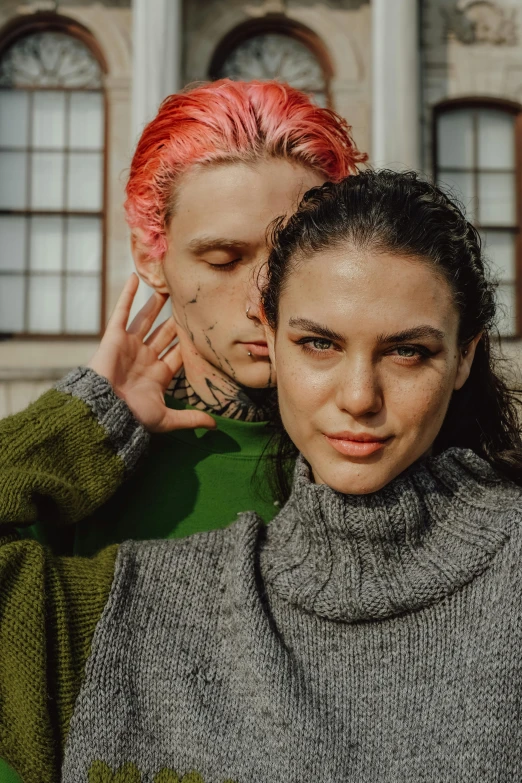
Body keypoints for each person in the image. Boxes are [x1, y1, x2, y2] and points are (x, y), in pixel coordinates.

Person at [2, 170, 522, 783]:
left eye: (407, 352)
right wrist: (88, 419)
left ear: (464, 356)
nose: (359, 397)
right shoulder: (135, 613)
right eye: (319, 344)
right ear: (270, 341)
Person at [29, 79, 365, 556]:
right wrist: (72, 427)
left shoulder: (387, 444)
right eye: (224, 260)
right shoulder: (82, 467)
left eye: (296, 258)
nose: (263, 301)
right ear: (150, 256)